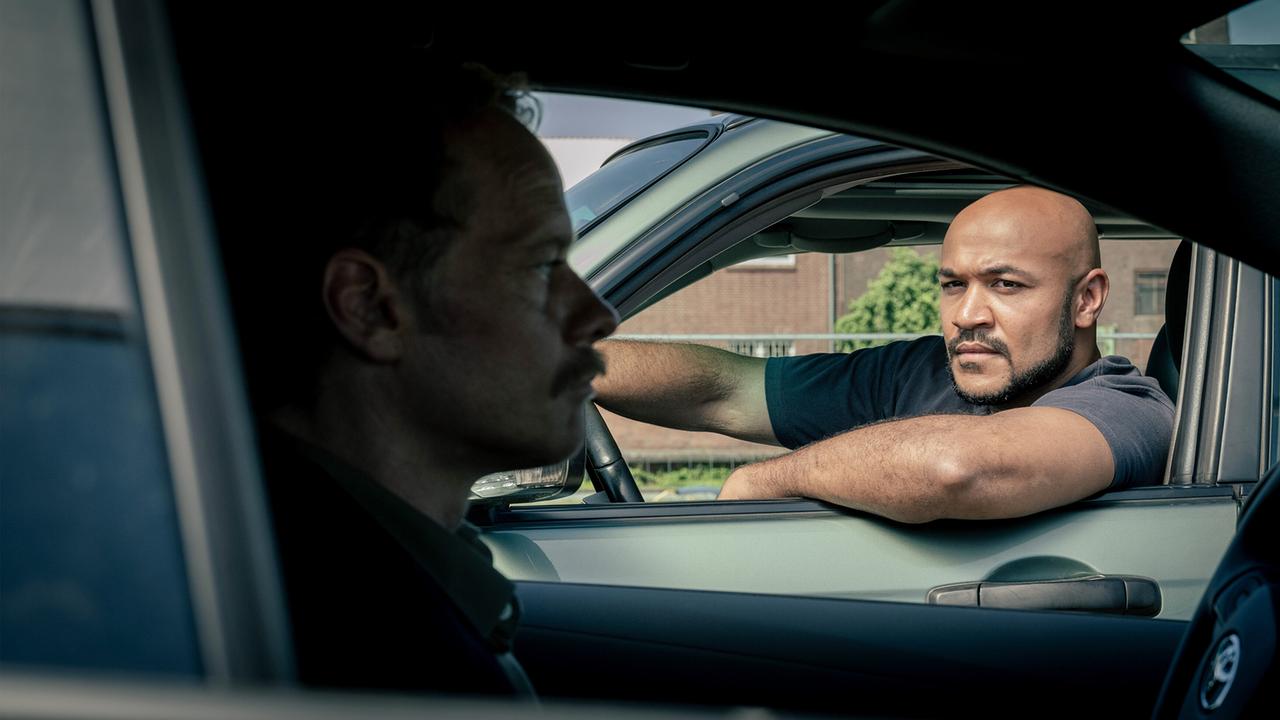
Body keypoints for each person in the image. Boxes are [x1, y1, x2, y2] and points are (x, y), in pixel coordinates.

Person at [222, 61, 618, 695]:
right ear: (370, 307)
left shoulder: (298, 572)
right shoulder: (367, 652)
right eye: (543, 266)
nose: (599, 315)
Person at [594, 186, 1173, 523]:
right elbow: (722, 390)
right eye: (953, 285)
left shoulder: (1128, 409)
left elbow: (957, 468)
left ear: (1086, 299)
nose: (967, 314)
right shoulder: (918, 373)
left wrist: (765, 481)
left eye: (1006, 285)